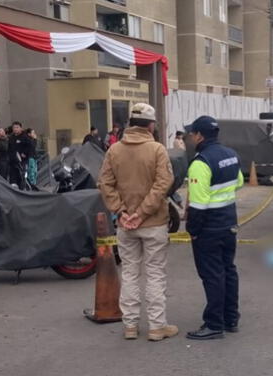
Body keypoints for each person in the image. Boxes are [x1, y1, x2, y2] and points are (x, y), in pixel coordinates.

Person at [98, 103, 177, 342]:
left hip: (125, 224)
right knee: (154, 274)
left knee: (130, 273)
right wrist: (142, 213)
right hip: (153, 222)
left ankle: (130, 325)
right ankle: (156, 327)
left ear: (131, 124)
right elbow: (163, 184)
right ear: (151, 125)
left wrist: (121, 212)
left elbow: (105, 184)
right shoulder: (157, 150)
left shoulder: (114, 150)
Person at [184, 116, 244, 341]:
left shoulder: (201, 162)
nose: (190, 137)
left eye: (192, 134)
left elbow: (198, 205)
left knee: (212, 275)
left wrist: (193, 230)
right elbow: (238, 183)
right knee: (228, 270)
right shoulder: (231, 155)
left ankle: (213, 324)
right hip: (229, 223)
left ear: (199, 135)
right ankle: (231, 318)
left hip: (209, 228)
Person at [8, 121, 31, 188]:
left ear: (21, 128)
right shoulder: (11, 137)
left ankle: (23, 188)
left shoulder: (25, 137)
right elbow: (9, 148)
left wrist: (24, 153)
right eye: (14, 127)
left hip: (22, 161)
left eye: (17, 127)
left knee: (22, 176)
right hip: (13, 161)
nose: (15, 129)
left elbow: (30, 146)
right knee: (13, 177)